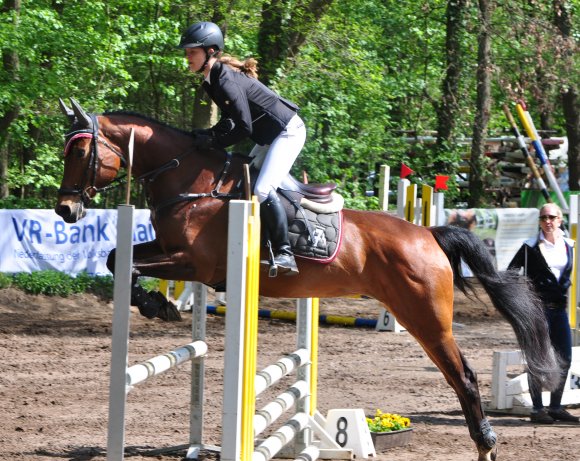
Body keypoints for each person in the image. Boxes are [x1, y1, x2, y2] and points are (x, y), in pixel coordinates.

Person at [178, 21, 305, 276]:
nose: (187, 57)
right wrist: (208, 134)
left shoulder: (224, 79)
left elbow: (243, 127)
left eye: (192, 51)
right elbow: (230, 120)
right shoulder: (211, 80)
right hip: (269, 136)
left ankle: (285, 253)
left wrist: (214, 142)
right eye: (187, 52)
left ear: (210, 51)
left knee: (261, 188)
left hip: (287, 131)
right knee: (243, 182)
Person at [507, 203, 579, 424]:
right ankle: (537, 409)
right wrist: (520, 300)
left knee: (565, 357)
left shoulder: (570, 245)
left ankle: (555, 407)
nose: (547, 221)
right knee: (537, 359)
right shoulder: (529, 247)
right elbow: (510, 273)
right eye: (543, 218)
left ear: (559, 220)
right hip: (536, 310)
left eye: (551, 217)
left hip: (559, 311)